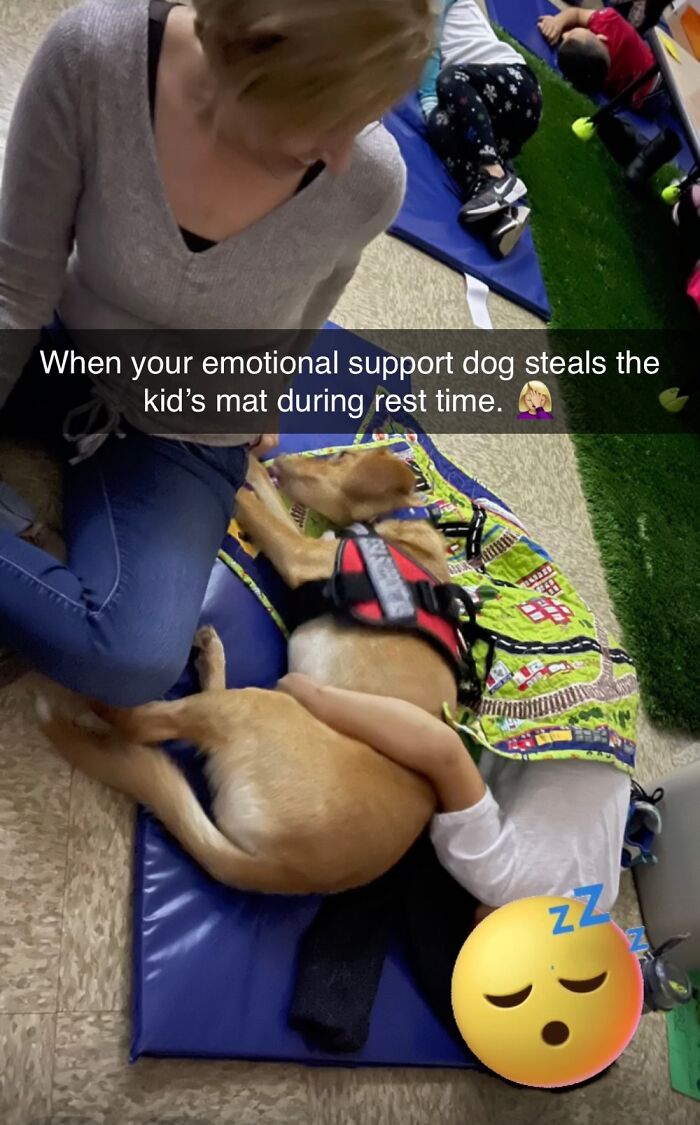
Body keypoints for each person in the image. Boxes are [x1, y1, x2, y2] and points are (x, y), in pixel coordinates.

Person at [0, 0, 434, 706]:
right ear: (246, 56)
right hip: (63, 342)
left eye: (365, 119)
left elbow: (318, 293)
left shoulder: (369, 177)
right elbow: (15, 285)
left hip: (188, 431)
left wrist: (270, 391)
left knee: (133, 656)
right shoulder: (95, 56)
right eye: (326, 119)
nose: (342, 155)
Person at [278, 675, 631, 915]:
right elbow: (443, 751)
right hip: (547, 685)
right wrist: (317, 698)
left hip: (606, 698)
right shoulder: (498, 877)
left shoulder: (599, 901)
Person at [418, 0, 543, 227]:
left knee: (449, 80)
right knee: (438, 124)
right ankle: (497, 212)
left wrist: (428, 100)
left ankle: (492, 172)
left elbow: (431, 40)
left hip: (516, 87)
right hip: (484, 116)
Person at [539, 6, 659, 110]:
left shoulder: (610, 21)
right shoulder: (608, 22)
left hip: (656, 79)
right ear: (601, 37)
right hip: (646, 88)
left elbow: (577, 14)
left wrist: (558, 22)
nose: (565, 34)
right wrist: (559, 24)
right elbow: (577, 16)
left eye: (571, 32)